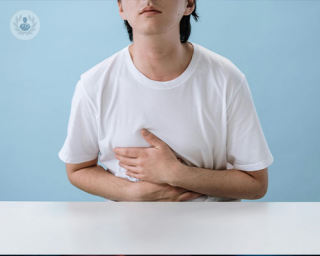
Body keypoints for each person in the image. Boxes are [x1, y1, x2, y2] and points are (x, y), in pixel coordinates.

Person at [58, 0, 274, 204]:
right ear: (121, 7)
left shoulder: (226, 78)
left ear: (189, 4)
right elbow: (77, 169)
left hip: (211, 234)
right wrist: (132, 193)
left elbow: (255, 183)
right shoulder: (94, 84)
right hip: (127, 234)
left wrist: (177, 174)